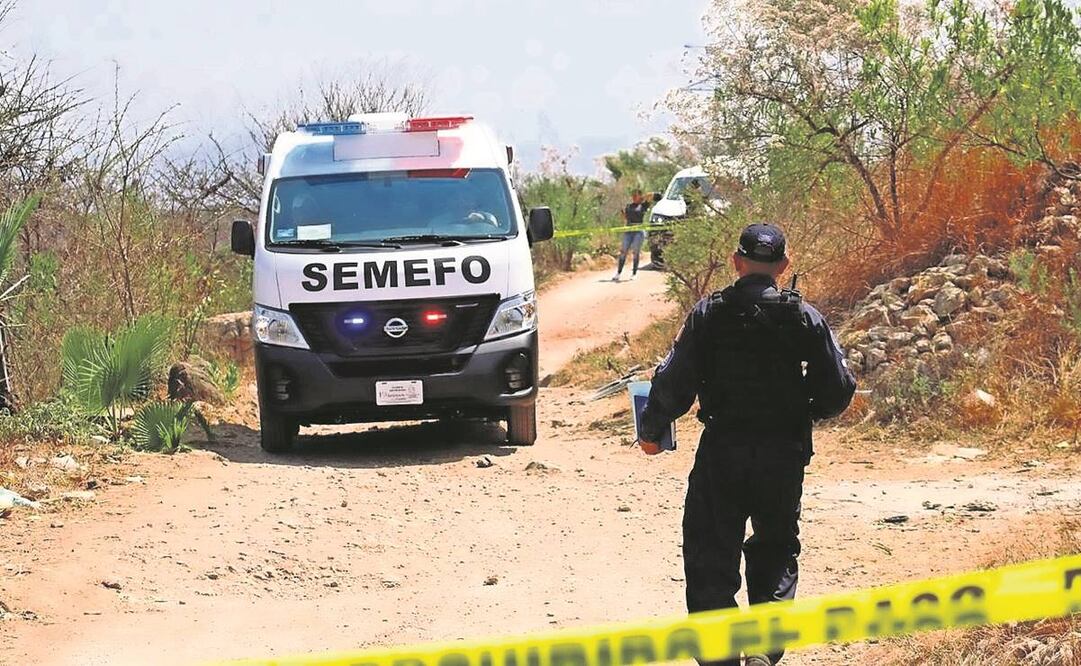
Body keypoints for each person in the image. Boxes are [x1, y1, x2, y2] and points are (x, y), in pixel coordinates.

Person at [638, 223, 856, 666]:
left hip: (722, 451)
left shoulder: (709, 313)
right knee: (775, 549)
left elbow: (673, 384)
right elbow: (839, 389)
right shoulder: (803, 316)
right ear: (783, 266)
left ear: (736, 262)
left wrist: (651, 429)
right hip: (783, 453)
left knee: (710, 553)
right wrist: (802, 411)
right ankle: (762, 650)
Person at [612, 189, 650, 281]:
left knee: (635, 252)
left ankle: (634, 273)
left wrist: (643, 197)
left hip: (638, 230)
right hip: (628, 230)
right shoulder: (629, 206)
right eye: (633, 196)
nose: (633, 197)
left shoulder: (643, 206)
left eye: (635, 195)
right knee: (623, 251)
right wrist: (623, 214)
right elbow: (626, 218)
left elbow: (651, 195)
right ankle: (618, 273)